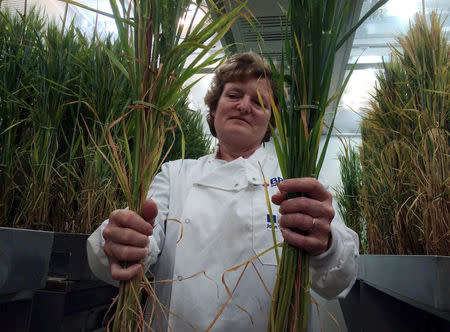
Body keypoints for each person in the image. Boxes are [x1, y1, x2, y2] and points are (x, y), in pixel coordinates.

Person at [87, 52, 359, 331]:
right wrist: (124, 241)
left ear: (270, 123)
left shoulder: (296, 178)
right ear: (214, 109)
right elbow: (144, 238)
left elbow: (339, 277)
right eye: (234, 95)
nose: (244, 106)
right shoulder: (176, 173)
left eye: (259, 102)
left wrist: (327, 246)